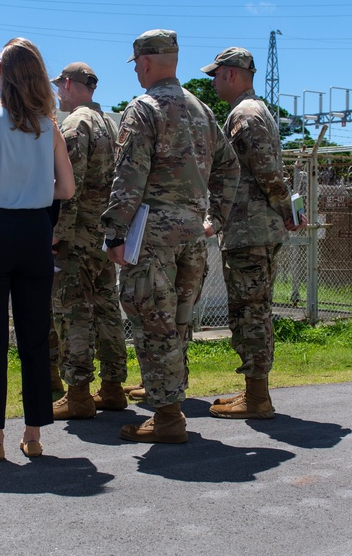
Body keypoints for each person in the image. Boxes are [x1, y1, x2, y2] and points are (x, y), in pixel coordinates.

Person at [102, 29, 239, 444]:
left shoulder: (143, 109)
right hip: (193, 236)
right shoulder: (202, 110)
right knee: (177, 323)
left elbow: (129, 178)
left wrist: (114, 234)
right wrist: (215, 217)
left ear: (144, 63)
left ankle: (166, 418)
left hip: (153, 236)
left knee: (151, 322)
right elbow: (230, 168)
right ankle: (171, 408)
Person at [0, 37, 75, 461]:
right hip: (34, 230)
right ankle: (34, 434)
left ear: (2, 73)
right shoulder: (49, 127)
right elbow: (67, 187)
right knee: (34, 337)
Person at [201, 47, 304, 419]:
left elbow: (265, 172)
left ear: (231, 74)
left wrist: (285, 210)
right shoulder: (256, 111)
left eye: (215, 75)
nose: (212, 81)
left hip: (250, 230)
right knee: (251, 310)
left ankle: (258, 397)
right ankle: (253, 390)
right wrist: (286, 210)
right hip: (254, 229)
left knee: (249, 313)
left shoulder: (244, 115)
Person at [49, 62, 128, 420]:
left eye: (58, 87)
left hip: (77, 234)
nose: (56, 94)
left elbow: (69, 186)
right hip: (102, 235)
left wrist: (56, 234)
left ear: (68, 84)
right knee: (107, 309)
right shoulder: (109, 124)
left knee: (73, 310)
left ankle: (78, 392)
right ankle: (112, 386)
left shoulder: (74, 124)